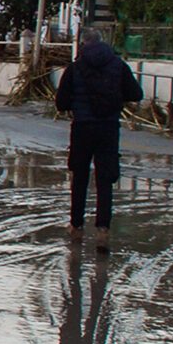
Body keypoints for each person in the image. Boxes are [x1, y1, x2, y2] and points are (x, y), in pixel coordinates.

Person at [54, 26, 142, 249]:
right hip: (109, 128)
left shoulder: (75, 69)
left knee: (80, 176)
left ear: (83, 44)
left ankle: (76, 226)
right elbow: (136, 94)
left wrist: (77, 101)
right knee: (105, 180)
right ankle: (103, 230)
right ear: (103, 42)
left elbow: (61, 103)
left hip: (82, 128)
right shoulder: (118, 65)